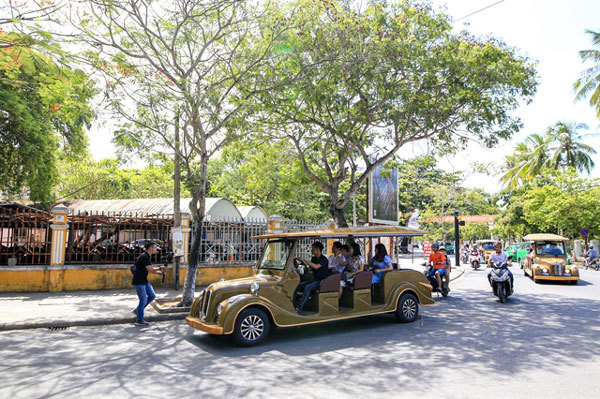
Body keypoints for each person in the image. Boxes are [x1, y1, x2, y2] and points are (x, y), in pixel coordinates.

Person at [132, 241, 166, 326]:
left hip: (144, 280)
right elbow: (150, 269)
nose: (156, 249)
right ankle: (139, 320)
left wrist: (159, 272)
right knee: (143, 299)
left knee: (152, 295)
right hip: (139, 281)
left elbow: (149, 269)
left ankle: (138, 310)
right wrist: (160, 268)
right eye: (155, 247)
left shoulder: (146, 256)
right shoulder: (144, 257)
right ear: (150, 248)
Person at [294, 241, 329, 314]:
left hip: (322, 281)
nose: (311, 250)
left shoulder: (324, 259)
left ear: (318, 250)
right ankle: (293, 303)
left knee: (308, 287)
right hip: (314, 279)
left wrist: (304, 260)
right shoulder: (314, 259)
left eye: (313, 249)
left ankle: (299, 308)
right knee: (298, 285)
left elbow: (316, 267)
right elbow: (311, 268)